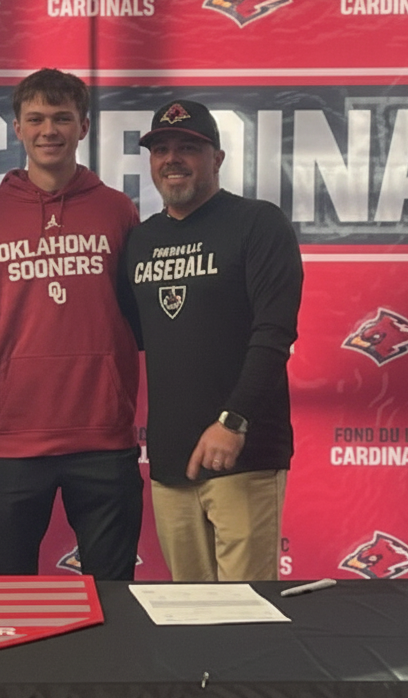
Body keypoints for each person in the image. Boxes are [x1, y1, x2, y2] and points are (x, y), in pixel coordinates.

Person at [0, 68, 144, 580]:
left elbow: (133, 309)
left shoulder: (117, 209)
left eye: (62, 118)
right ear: (16, 128)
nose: (49, 130)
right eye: (36, 118)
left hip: (103, 436)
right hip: (12, 436)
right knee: (8, 598)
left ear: (84, 126)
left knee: (115, 601)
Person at [124, 99, 303, 582]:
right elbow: (139, 336)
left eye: (188, 147)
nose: (172, 158)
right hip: (169, 462)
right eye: (161, 149)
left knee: (245, 620)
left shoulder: (257, 223)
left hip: (243, 453)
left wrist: (232, 420)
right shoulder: (140, 241)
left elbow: (274, 334)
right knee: (191, 615)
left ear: (217, 158)